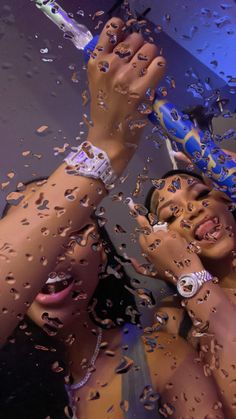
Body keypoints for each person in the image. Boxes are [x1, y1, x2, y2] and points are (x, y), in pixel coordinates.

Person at [0, 16, 166, 346]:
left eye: (73, 228)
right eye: (35, 230)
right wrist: (105, 148)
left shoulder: (161, 358)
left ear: (103, 251)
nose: (51, 250)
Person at [132, 165, 236, 418]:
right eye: (171, 215)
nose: (194, 208)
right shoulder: (173, 321)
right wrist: (187, 274)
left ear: (225, 199)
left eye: (200, 195)